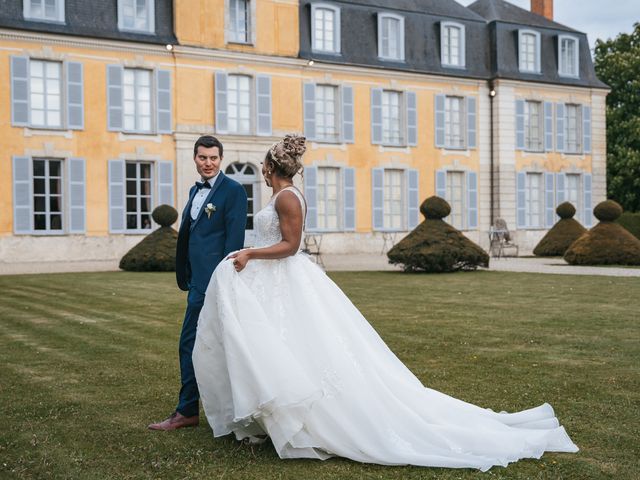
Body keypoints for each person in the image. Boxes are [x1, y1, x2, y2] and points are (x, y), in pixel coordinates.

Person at [191, 134, 578, 470]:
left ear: (272, 166)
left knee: (300, 349)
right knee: (276, 350)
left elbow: (291, 247)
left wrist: (250, 255)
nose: (260, 167)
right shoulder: (281, 195)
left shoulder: (288, 199)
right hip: (273, 284)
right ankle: (269, 420)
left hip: (285, 280)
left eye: (264, 162)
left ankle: (306, 421)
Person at [149, 135, 248, 431]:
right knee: (199, 346)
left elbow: (233, 243)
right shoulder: (195, 190)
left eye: (214, 158)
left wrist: (222, 282)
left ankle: (189, 410)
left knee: (193, 344)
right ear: (195, 158)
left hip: (213, 284)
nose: (208, 163)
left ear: (221, 159)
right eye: (203, 157)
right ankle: (192, 409)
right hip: (196, 281)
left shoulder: (233, 191)